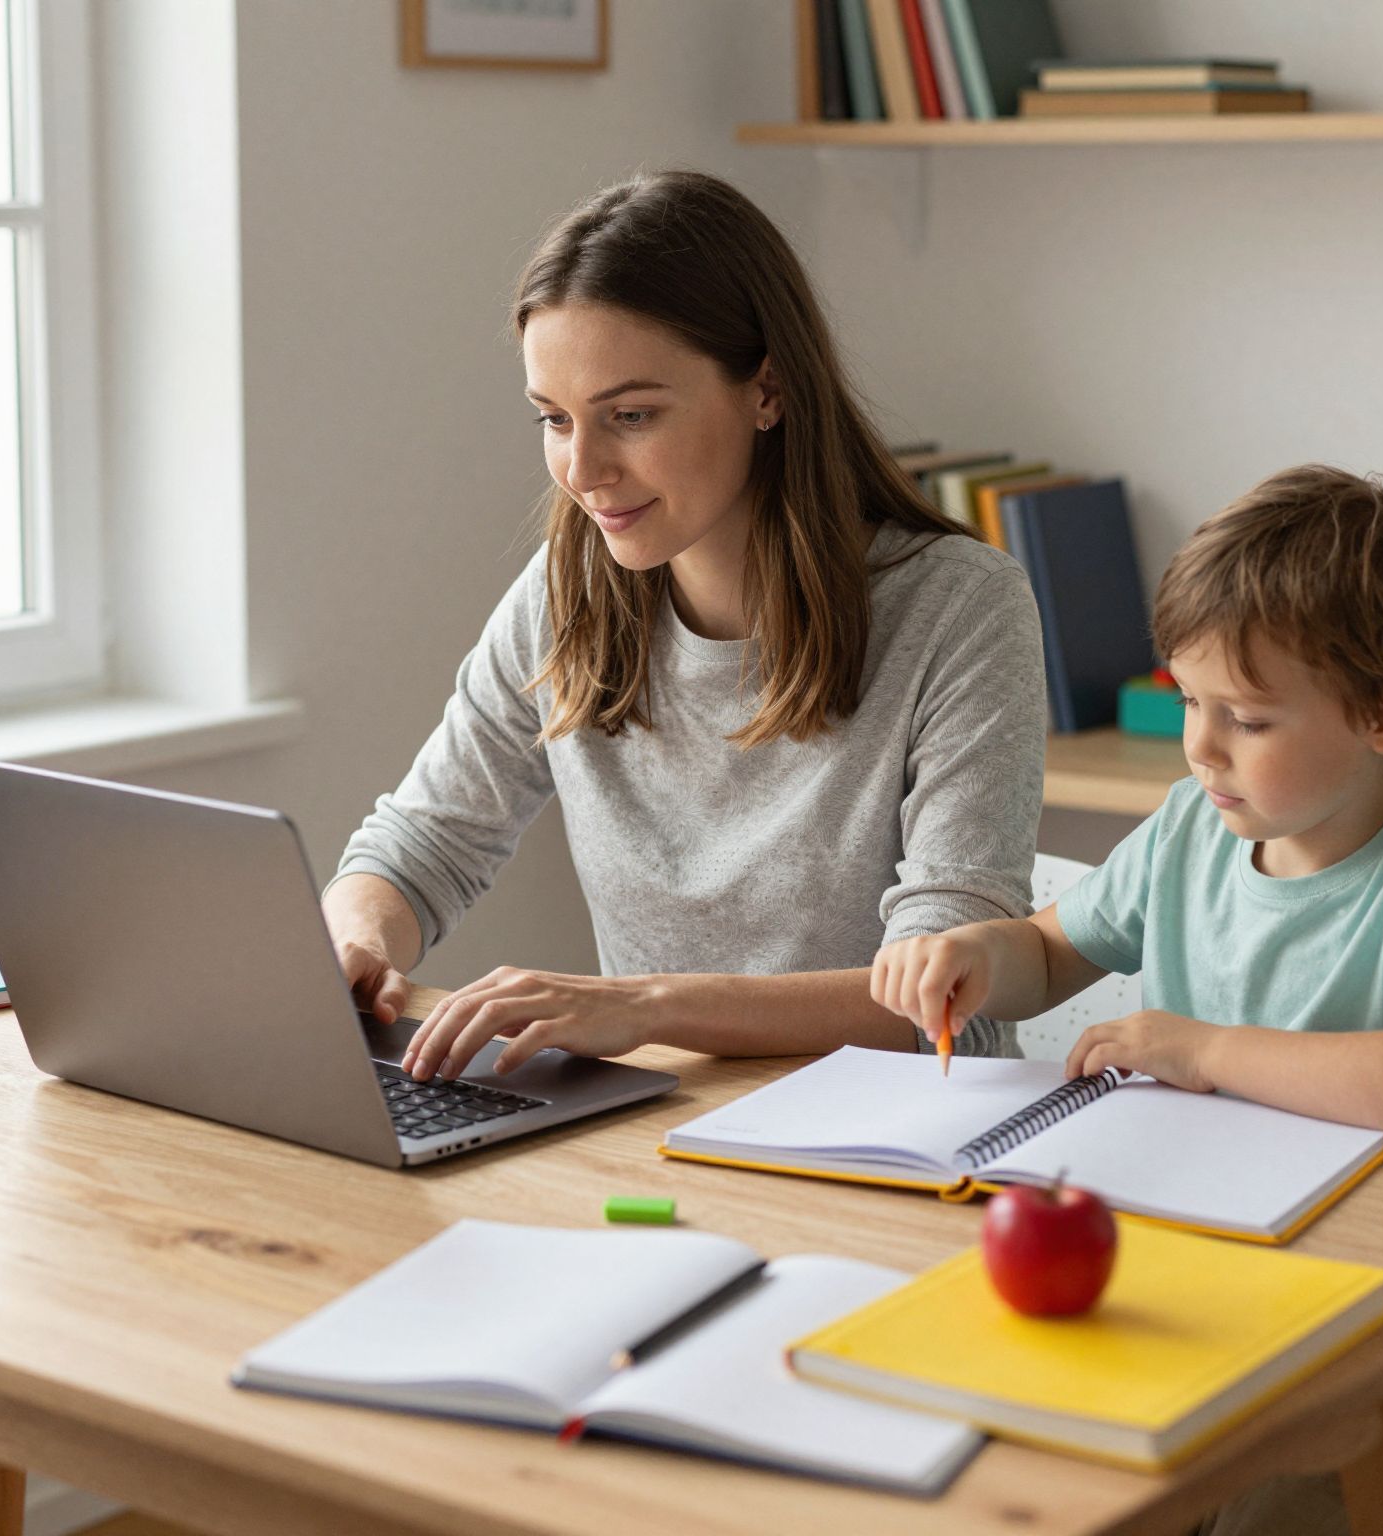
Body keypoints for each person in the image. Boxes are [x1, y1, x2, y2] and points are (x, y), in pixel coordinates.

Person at [871, 464, 1383, 1530]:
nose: (1201, 746)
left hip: (1382, 1367)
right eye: (1189, 701)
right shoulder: (1191, 828)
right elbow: (1055, 950)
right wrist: (980, 955)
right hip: (1190, 1323)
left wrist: (1203, 1049)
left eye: (1249, 719)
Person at [322, 168, 1046, 1082]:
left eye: (630, 415)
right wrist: (357, 942)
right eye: (554, 419)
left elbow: (946, 996)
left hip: (890, 1140)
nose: (583, 470)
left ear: (768, 390)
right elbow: (420, 846)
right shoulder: (565, 596)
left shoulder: (958, 607)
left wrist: (645, 1007)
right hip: (653, 1130)